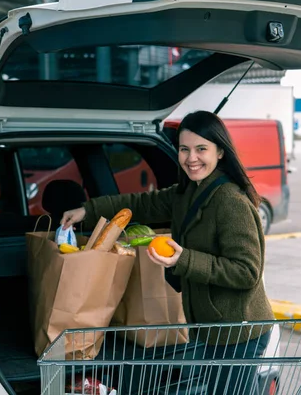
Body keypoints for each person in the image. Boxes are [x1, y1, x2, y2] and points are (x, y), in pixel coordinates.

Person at [61, 110, 274, 394]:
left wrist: (183, 259)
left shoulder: (230, 201)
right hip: (213, 329)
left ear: (221, 152)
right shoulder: (188, 192)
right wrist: (88, 210)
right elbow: (141, 203)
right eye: (184, 149)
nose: (191, 158)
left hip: (240, 333)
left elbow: (247, 272)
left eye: (201, 149)